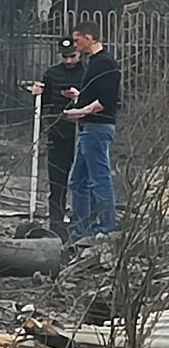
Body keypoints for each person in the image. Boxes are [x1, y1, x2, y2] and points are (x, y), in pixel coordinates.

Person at [63, 20, 121, 241]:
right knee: (78, 181)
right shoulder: (94, 63)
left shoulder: (105, 63)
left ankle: (107, 226)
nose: (75, 46)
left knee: (99, 177)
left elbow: (106, 100)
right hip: (89, 126)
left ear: (89, 38)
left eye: (77, 40)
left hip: (97, 126)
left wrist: (80, 112)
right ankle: (81, 230)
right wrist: (78, 96)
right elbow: (95, 93)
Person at [30, 38, 86, 237]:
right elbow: (42, 103)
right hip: (57, 131)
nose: (69, 61)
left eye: (72, 56)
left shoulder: (87, 72)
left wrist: (78, 97)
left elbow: (99, 101)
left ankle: (81, 224)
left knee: (81, 181)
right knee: (57, 181)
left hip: (81, 133)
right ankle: (56, 225)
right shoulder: (52, 73)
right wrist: (36, 94)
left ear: (79, 54)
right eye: (65, 57)